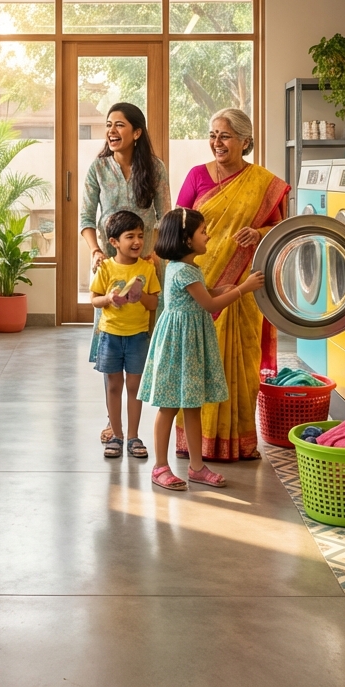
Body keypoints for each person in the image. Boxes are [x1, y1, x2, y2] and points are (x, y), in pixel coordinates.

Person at [175, 108, 288, 462]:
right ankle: (196, 443)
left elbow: (281, 232)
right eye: (212, 135)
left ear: (244, 140)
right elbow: (176, 228)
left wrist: (258, 232)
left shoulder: (264, 183)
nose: (216, 142)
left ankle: (238, 441)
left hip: (244, 284)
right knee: (198, 363)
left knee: (241, 363)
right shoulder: (196, 176)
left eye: (224, 136)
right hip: (200, 280)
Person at [140, 207, 265, 491]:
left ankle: (196, 467)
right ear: (186, 239)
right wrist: (243, 288)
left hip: (189, 343)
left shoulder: (187, 268)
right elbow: (210, 306)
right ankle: (160, 467)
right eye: (203, 231)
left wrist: (223, 288)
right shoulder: (183, 270)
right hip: (179, 345)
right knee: (169, 406)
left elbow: (204, 296)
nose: (208, 236)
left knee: (192, 406)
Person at [80, 103, 172, 443]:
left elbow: (165, 216)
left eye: (119, 125)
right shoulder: (98, 169)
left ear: (137, 132)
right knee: (111, 341)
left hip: (147, 267)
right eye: (108, 125)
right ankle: (113, 422)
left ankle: (137, 424)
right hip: (111, 266)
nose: (111, 131)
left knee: (142, 343)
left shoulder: (156, 169)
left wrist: (155, 251)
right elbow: (86, 218)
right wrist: (95, 250)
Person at [89, 210, 161, 460]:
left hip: (138, 337)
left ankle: (133, 436)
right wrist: (108, 298)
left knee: (133, 387)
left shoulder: (147, 268)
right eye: (130, 236)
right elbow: (94, 300)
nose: (137, 242)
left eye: (140, 236)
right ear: (114, 242)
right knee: (113, 387)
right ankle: (116, 436)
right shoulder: (106, 267)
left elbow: (153, 304)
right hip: (110, 336)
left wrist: (141, 295)